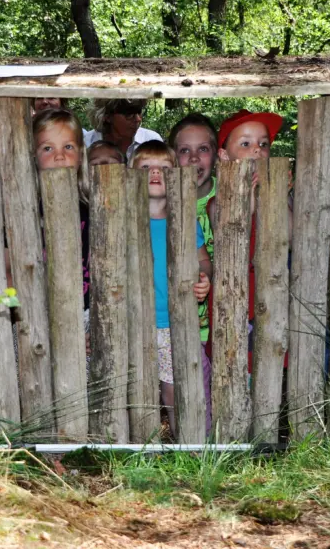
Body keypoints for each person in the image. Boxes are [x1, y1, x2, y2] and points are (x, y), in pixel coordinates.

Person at [130, 140, 212, 438]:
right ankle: (138, 448)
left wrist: (204, 278)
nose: (155, 173)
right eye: (146, 167)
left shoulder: (185, 222)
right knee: (136, 392)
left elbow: (204, 261)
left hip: (173, 324)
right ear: (130, 174)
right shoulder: (123, 220)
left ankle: (183, 445)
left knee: (174, 391)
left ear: (176, 176)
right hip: (133, 322)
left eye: (164, 168)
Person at [208, 109, 285, 379]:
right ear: (224, 156)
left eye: (263, 144)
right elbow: (231, 227)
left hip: (271, 298)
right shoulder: (216, 202)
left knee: (270, 370)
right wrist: (249, 196)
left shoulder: (274, 194)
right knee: (236, 370)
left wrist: (278, 194)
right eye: (245, 144)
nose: (257, 150)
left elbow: (291, 232)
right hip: (237, 300)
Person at [33, 108, 91, 310]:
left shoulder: (93, 209)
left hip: (85, 312)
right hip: (38, 313)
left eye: (68, 147)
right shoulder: (25, 212)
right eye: (48, 148)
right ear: (33, 156)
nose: (59, 156)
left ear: (81, 155)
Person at [169, 113, 219, 350]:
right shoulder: (162, 203)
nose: (194, 158)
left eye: (203, 149)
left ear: (216, 155)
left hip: (222, 320)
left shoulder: (229, 193)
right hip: (177, 325)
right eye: (184, 150)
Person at [84, 99, 162, 160]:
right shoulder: (86, 143)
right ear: (107, 116)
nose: (138, 119)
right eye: (129, 114)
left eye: (139, 112)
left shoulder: (152, 140)